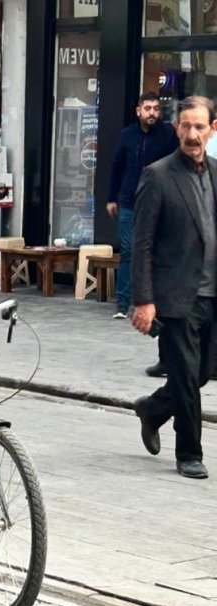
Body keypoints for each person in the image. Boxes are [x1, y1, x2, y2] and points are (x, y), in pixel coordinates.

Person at [131, 95, 215, 481]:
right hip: (177, 295)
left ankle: (152, 408)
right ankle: (189, 453)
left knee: (199, 374)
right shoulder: (158, 175)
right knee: (185, 376)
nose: (192, 134)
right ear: (176, 127)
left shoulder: (216, 172)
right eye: (186, 126)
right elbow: (142, 242)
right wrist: (144, 300)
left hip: (213, 294)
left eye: (200, 126)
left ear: (213, 129)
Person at [109, 93, 179, 378]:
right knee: (129, 251)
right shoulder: (127, 136)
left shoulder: (168, 136)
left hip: (159, 202)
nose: (152, 112)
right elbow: (116, 167)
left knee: (155, 254)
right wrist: (110, 198)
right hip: (128, 201)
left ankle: (150, 302)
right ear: (138, 110)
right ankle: (123, 303)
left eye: (156, 108)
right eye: (147, 108)